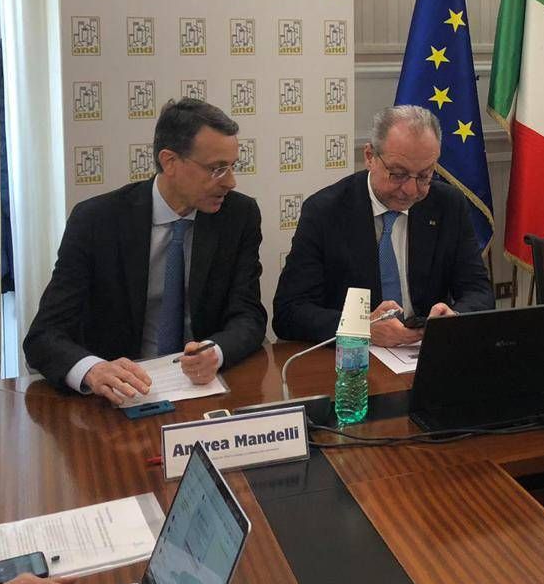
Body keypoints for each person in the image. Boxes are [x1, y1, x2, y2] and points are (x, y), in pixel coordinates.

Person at [24, 99, 267, 403]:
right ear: (170, 162)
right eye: (217, 169)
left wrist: (215, 352)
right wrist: (93, 370)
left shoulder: (239, 216)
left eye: (232, 166)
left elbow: (249, 315)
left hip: (203, 391)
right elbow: (44, 336)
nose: (230, 181)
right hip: (119, 395)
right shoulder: (96, 221)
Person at [272, 105, 494, 346]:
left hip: (425, 350)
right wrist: (360, 328)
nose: (411, 190)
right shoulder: (325, 211)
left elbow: (478, 291)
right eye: (398, 174)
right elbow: (289, 311)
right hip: (353, 358)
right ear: (370, 157)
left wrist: (454, 318)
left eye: (424, 176)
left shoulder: (448, 204)